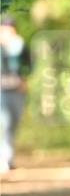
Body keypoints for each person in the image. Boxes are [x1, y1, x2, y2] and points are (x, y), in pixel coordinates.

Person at [0, 15, 31, 172]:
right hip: (1, 89)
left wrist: (24, 80)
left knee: (13, 123)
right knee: (3, 123)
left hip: (17, 88)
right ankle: (4, 159)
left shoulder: (19, 44)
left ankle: (8, 158)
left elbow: (28, 63)